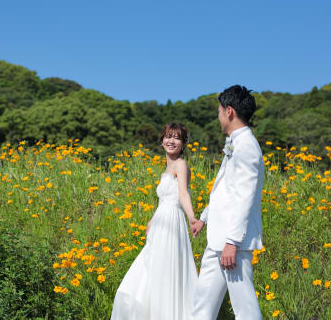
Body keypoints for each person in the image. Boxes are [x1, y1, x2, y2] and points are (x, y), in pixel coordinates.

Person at [111, 123, 198, 320]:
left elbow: (183, 194)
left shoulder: (181, 165)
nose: (171, 141)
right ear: (161, 141)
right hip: (160, 223)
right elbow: (164, 199)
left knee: (166, 272)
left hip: (172, 224)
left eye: (176, 138)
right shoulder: (165, 170)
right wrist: (152, 220)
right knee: (149, 273)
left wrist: (192, 217)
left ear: (183, 143)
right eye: (168, 136)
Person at [191, 85, 264, 320]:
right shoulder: (235, 143)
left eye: (220, 110)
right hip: (217, 241)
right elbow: (225, 191)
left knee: (245, 308)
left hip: (234, 243)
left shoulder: (247, 147)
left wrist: (232, 241)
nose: (218, 116)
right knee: (202, 305)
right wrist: (204, 218)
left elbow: (244, 197)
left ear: (229, 111)